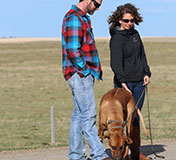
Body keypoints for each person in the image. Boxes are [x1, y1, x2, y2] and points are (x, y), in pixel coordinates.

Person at [62, 0, 110, 160]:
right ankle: (99, 155)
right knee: (89, 115)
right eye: (97, 4)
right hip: (80, 74)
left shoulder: (83, 18)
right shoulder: (74, 18)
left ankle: (77, 156)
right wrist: (84, 70)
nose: (98, 8)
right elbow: (72, 49)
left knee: (79, 114)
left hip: (81, 74)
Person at [108, 3, 151, 160]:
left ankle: (135, 151)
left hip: (140, 82)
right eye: (126, 20)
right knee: (123, 119)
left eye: (132, 20)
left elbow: (142, 55)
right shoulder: (116, 39)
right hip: (124, 85)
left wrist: (146, 73)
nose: (129, 23)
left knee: (136, 118)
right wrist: (122, 82)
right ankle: (122, 152)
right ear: (120, 20)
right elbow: (115, 63)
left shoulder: (135, 34)